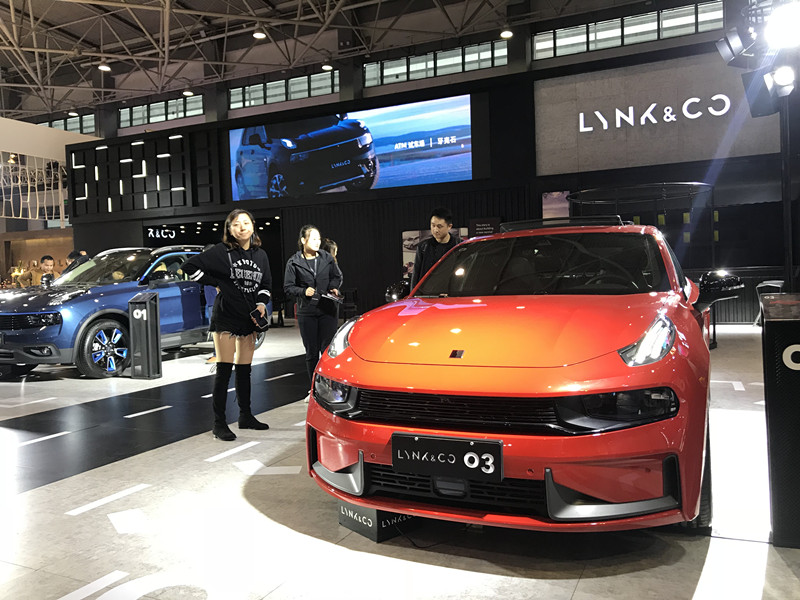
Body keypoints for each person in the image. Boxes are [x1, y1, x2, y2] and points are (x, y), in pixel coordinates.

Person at [183, 209, 272, 441]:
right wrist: (215, 283)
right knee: (224, 371)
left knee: (244, 370)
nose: (242, 227)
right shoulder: (221, 251)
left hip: (249, 317)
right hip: (225, 316)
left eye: (246, 223)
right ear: (229, 229)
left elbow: (266, 284)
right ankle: (219, 423)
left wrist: (261, 303)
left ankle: (246, 416)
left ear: (253, 226)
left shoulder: (260, 255)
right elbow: (189, 267)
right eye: (236, 224)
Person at [284, 225, 343, 386]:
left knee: (327, 351)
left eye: (319, 239)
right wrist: (303, 291)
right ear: (303, 240)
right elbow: (288, 287)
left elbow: (337, 276)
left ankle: (329, 387)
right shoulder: (294, 262)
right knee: (311, 352)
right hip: (307, 312)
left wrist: (333, 287)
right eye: (313, 238)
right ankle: (313, 388)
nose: (317, 242)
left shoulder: (327, 257)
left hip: (328, 310)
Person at [410, 207, 461, 288]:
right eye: (433, 225)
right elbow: (416, 276)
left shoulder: (460, 246)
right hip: (428, 293)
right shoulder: (423, 247)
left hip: (452, 292)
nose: (435, 230)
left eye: (439, 226)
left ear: (449, 226)